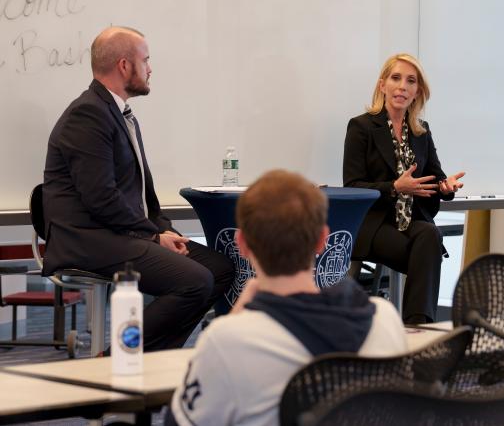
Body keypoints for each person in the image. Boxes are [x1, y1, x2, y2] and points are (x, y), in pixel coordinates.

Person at [42, 26, 234, 351]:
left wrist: (164, 230)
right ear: (124, 65)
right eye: (145, 60)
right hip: (89, 240)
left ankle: (149, 357)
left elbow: (140, 196)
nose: (150, 68)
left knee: (219, 269)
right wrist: (153, 236)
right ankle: (118, 356)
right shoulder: (88, 114)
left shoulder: (116, 113)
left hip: (120, 233)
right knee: (195, 281)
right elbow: (101, 198)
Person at [166, 170, 407, 426]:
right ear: (322, 239)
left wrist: (234, 318)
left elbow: (179, 420)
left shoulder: (228, 340)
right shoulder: (384, 318)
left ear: (242, 244)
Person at [343, 53, 465, 325]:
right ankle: (420, 328)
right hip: (374, 225)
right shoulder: (361, 127)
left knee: (429, 235)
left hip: (410, 223)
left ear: (417, 92)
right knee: (429, 247)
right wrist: (395, 187)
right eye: (396, 78)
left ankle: (415, 326)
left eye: (411, 81)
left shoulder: (421, 132)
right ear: (382, 84)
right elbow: (352, 187)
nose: (402, 86)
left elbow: (435, 178)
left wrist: (446, 187)